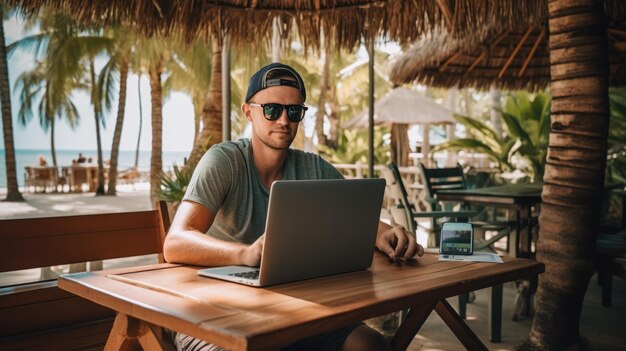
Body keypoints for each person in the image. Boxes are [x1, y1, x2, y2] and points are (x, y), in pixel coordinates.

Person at [164, 62, 424, 351]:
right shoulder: (224, 161)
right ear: (248, 111)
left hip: (294, 312)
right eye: (272, 109)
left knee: (369, 344)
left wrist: (388, 233)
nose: (284, 120)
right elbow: (175, 242)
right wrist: (245, 254)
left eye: (294, 111)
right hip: (215, 315)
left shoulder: (313, 167)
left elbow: (358, 221)